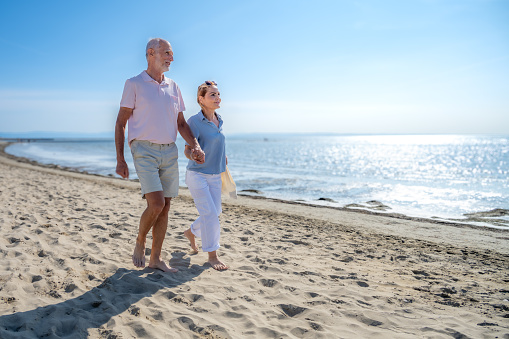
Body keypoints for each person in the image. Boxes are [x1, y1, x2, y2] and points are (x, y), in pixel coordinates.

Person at [115, 38, 205, 273]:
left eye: (171, 53)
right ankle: (140, 240)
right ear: (150, 53)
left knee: (165, 207)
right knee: (154, 204)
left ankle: (155, 259)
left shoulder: (173, 86)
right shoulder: (134, 83)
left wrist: (195, 145)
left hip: (169, 150)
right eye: (167, 53)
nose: (171, 58)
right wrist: (121, 159)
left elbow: (181, 123)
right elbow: (120, 123)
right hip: (143, 149)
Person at [183, 81, 229, 271]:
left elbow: (215, 141)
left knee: (215, 212)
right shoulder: (193, 121)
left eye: (218, 94)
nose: (217, 98)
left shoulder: (220, 119)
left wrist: (222, 156)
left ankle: (191, 232)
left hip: (215, 174)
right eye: (212, 95)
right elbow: (187, 149)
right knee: (210, 214)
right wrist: (193, 154)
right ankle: (212, 255)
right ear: (201, 99)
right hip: (197, 175)